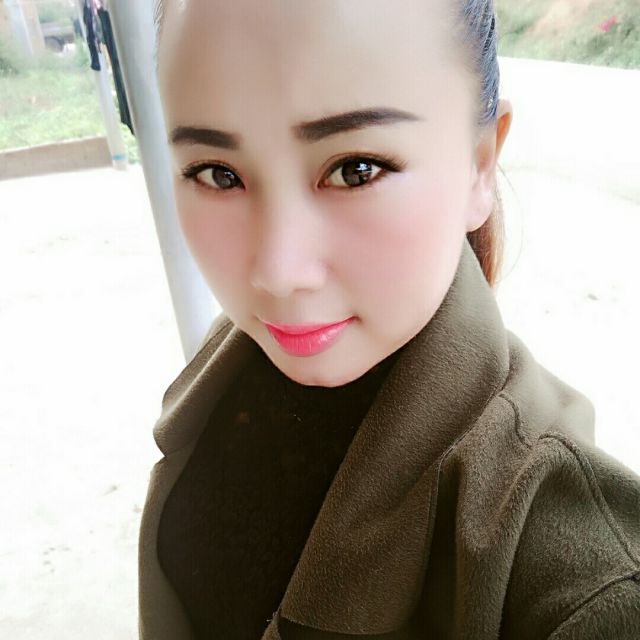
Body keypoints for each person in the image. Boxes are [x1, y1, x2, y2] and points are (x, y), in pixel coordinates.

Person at [139, 1, 640, 638]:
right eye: (217, 174)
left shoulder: (584, 584)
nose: (278, 273)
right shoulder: (229, 366)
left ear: (480, 164)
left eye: (356, 170)